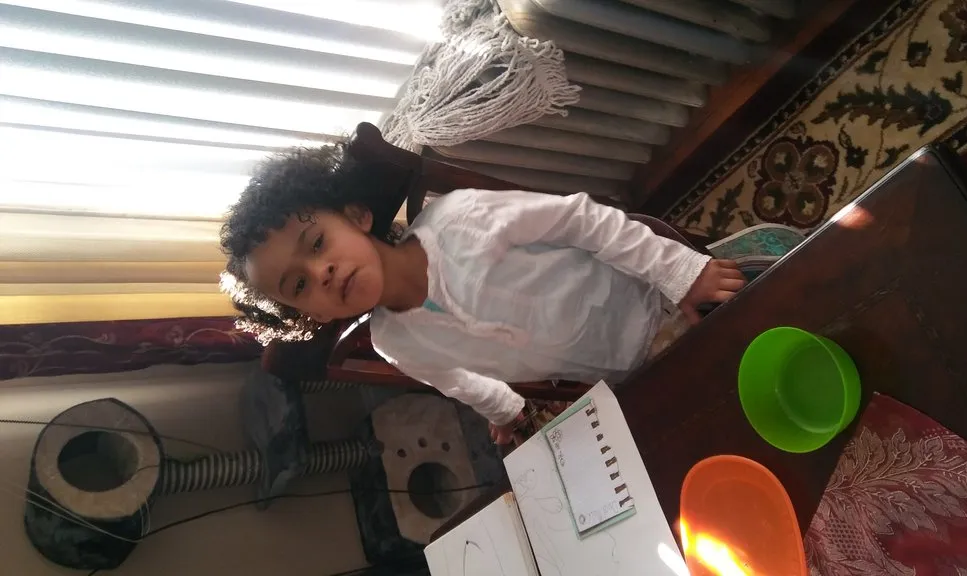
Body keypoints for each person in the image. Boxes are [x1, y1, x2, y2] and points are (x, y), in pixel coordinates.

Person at [219, 141, 746, 444]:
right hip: (618, 373)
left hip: (654, 295)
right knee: (713, 426)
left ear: (357, 216)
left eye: (317, 243)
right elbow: (454, 380)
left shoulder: (462, 219)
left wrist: (678, 271)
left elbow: (583, 220)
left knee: (763, 316)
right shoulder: (392, 341)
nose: (323, 272)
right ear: (306, 313)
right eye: (299, 284)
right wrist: (503, 411)